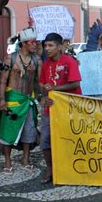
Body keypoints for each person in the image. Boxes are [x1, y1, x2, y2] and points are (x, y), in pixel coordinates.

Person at [39, 32, 82, 184]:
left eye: (50, 45)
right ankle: (50, 169)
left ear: (59, 47)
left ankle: (69, 168)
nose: (47, 49)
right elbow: (42, 84)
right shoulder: (45, 64)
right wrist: (45, 93)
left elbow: (76, 84)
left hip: (69, 109)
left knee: (69, 139)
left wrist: (54, 89)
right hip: (50, 109)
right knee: (45, 139)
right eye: (45, 46)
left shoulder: (69, 61)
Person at [0, 27, 41, 173]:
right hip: (13, 100)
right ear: (23, 43)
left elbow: (40, 81)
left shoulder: (36, 59)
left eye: (36, 42)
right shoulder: (10, 58)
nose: (35, 45)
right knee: (9, 130)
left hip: (28, 99)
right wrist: (1, 99)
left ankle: (25, 159)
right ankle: (7, 162)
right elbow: (3, 80)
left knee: (29, 130)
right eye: (32, 42)